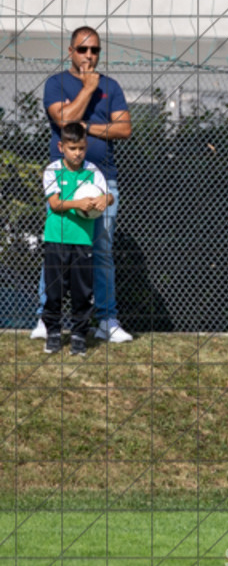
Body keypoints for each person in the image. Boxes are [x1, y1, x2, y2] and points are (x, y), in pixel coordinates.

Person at [31, 26, 133, 343]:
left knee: (100, 251)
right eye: (83, 50)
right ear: (70, 51)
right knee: (57, 250)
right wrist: (87, 89)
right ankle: (47, 320)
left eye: (95, 51)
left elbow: (124, 128)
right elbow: (63, 120)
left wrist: (88, 126)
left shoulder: (112, 86)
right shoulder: (56, 83)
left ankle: (106, 319)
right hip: (65, 178)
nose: (89, 56)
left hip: (103, 178)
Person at [40, 122, 113, 356]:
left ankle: (79, 335)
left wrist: (106, 200)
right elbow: (55, 203)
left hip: (83, 240)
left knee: (82, 290)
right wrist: (78, 204)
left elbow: (106, 195)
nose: (77, 153)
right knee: (55, 289)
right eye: (72, 148)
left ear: (86, 146)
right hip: (56, 238)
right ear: (62, 147)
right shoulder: (52, 170)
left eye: (81, 148)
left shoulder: (93, 171)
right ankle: (52, 333)